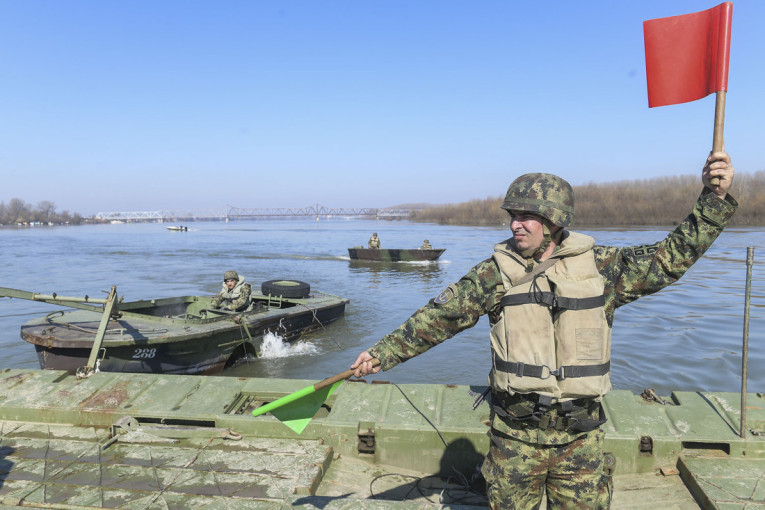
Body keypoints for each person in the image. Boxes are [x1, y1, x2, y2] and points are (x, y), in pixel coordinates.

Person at [351, 152, 736, 509]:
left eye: (526, 215)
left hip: (582, 439)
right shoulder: (493, 274)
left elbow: (671, 258)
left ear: (555, 220)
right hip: (514, 440)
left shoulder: (604, 268)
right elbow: (437, 319)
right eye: (512, 215)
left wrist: (713, 199)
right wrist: (381, 354)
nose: (515, 223)